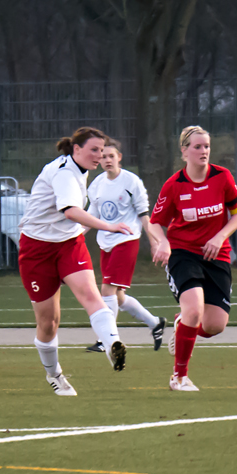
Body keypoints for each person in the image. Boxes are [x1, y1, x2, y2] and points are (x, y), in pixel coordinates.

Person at [17, 127, 131, 396]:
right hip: (36, 249)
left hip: (69, 244)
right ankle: (54, 374)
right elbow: (70, 211)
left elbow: (72, 217)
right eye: (94, 150)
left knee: (92, 295)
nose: (100, 155)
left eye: (102, 150)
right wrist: (108, 226)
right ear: (76, 149)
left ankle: (113, 344)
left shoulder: (81, 169)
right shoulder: (64, 173)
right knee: (49, 322)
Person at [148, 126, 237, 392]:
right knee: (194, 310)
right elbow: (155, 224)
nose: (203, 151)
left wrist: (220, 236)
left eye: (206, 147)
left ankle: (183, 327)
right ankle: (179, 377)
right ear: (184, 151)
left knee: (214, 326)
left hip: (217, 254)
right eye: (197, 147)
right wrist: (163, 242)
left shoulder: (222, 177)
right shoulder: (174, 185)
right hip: (183, 253)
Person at [83, 138, 166, 352]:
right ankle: (155, 323)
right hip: (106, 243)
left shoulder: (132, 182)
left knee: (106, 289)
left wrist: (155, 243)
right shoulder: (97, 184)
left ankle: (108, 341)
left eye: (111, 156)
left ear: (119, 157)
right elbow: (92, 215)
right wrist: (74, 236)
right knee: (117, 297)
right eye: (103, 156)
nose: (107, 160)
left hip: (126, 241)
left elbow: (144, 216)